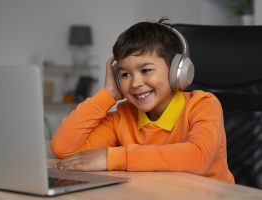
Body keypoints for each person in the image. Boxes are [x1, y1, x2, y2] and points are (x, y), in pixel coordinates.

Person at [51, 18, 235, 184]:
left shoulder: (203, 104)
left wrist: (112, 158)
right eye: (124, 74)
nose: (135, 83)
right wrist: (108, 94)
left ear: (176, 72)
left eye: (146, 70)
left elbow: (198, 158)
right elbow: (64, 148)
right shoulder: (124, 116)